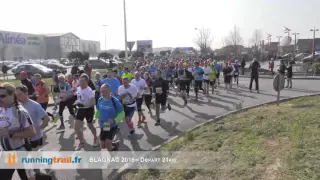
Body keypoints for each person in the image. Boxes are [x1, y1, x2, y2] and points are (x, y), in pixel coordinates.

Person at [0, 83, 36, 180]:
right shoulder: (1, 109)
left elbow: (32, 133)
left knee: (28, 178)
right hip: (6, 153)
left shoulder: (20, 111)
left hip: (20, 152)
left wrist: (11, 134)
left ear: (13, 95)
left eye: (2, 96)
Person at [15, 85, 50, 151]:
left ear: (26, 93)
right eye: (16, 95)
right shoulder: (17, 105)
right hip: (23, 138)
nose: (17, 96)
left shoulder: (35, 105)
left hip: (34, 138)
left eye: (19, 94)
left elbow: (46, 119)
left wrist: (37, 130)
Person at [95, 84, 124, 151]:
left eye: (104, 91)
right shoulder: (100, 100)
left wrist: (114, 120)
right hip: (105, 125)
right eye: (101, 91)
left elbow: (122, 114)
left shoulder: (115, 101)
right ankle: (114, 145)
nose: (102, 93)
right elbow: (98, 110)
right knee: (103, 145)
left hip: (113, 125)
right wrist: (95, 117)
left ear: (109, 91)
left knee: (108, 143)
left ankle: (112, 158)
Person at [74, 74, 97, 151]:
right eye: (80, 81)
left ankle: (95, 138)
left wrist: (86, 104)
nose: (81, 83)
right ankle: (81, 142)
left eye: (83, 81)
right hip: (81, 109)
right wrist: (77, 102)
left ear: (87, 82)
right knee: (76, 126)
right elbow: (79, 98)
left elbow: (93, 102)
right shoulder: (78, 88)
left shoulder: (89, 90)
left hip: (88, 109)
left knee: (90, 126)